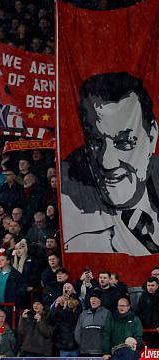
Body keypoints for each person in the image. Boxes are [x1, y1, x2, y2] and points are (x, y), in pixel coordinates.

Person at [61, 72, 159, 254]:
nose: (107, 162)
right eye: (96, 142)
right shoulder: (74, 227)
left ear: (151, 136)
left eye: (124, 142)